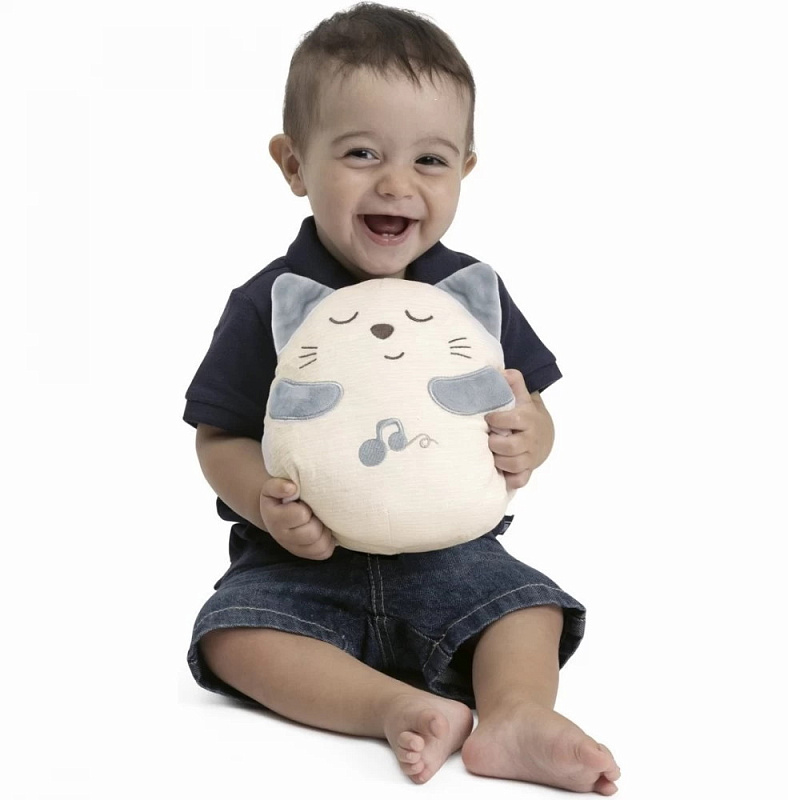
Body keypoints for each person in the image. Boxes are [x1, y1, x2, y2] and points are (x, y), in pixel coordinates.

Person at [184, 3, 620, 794]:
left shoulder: (468, 295)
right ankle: (397, 707)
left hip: (450, 554)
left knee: (528, 607)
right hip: (301, 564)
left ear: (465, 170)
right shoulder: (272, 302)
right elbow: (218, 437)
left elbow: (528, 402)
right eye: (360, 153)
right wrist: (265, 502)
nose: (397, 183)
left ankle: (515, 714)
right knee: (231, 636)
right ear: (293, 164)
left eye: (430, 160)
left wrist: (532, 436)